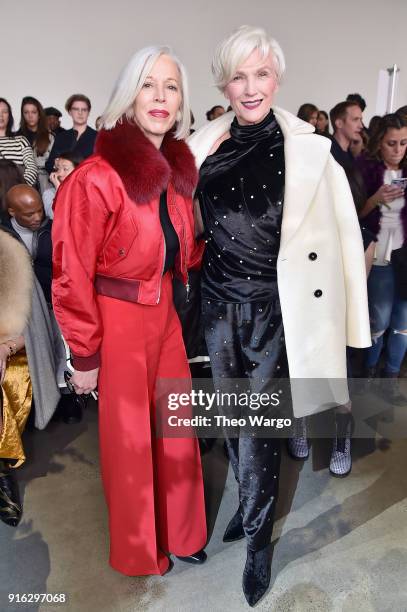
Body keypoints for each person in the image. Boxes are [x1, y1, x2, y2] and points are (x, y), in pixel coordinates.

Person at [188, 25, 370, 606]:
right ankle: (247, 504)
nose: (250, 87)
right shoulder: (200, 146)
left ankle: (258, 545)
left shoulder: (312, 151)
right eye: (238, 75)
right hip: (216, 309)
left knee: (261, 428)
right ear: (224, 81)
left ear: (278, 79)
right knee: (234, 423)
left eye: (261, 74)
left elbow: (344, 240)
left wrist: (352, 328)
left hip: (275, 311)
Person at [52, 45, 207, 576]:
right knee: (131, 444)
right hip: (115, 321)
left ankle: (184, 533)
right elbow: (71, 272)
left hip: (165, 315)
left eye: (171, 86)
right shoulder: (95, 177)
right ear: (128, 95)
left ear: (183, 100)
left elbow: (180, 250)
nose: (161, 96)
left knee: (177, 428)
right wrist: (85, 352)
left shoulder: (178, 173)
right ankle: (143, 550)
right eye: (148, 84)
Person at [3, 185, 69, 425]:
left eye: (40, 211)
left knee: (61, 354)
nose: (37, 217)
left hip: (55, 302)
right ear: (12, 212)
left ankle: (65, 402)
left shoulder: (53, 229)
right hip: (24, 309)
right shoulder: (4, 236)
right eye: (29, 214)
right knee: (34, 357)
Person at [357, 113, 407, 404]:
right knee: (378, 322)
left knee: (402, 324)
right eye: (391, 143)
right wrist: (375, 199)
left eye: (403, 143)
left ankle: (389, 378)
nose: (398, 149)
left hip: (405, 256)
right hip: (379, 257)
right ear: (379, 143)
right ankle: (368, 374)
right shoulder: (366, 170)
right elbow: (354, 215)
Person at [0, 228, 33, 527]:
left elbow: (31, 326)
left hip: (8, 348)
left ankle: (1, 471)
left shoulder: (8, 253)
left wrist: (4, 347)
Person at [45, 94, 96, 174]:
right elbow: (49, 165)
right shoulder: (61, 137)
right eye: (76, 109)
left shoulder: (98, 137)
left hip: (87, 184)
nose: (80, 113)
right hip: (63, 184)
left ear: (88, 112)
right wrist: (56, 165)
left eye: (84, 109)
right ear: (70, 112)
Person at [18, 96, 55, 193]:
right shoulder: (16, 137)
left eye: (33, 112)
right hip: (22, 181)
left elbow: (53, 164)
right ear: (23, 115)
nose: (30, 116)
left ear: (39, 114)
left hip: (44, 180)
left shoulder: (50, 137)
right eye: (26, 112)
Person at [0, 98, 37, 186]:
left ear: (9, 115)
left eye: (4, 112)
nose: (1, 115)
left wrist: (21, 187)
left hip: (16, 190)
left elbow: (32, 168)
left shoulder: (20, 140)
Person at [42, 151, 83, 219]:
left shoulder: (84, 191)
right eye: (58, 169)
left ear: (78, 171)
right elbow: (54, 217)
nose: (60, 174)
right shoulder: (49, 193)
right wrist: (59, 189)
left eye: (65, 169)